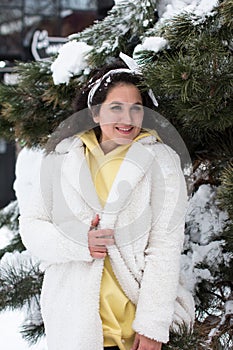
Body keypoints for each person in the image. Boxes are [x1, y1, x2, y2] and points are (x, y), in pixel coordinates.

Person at [18, 59, 195, 350]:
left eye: (136, 108)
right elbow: (32, 226)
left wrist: (152, 326)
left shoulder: (161, 162)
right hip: (73, 327)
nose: (127, 119)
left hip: (133, 331)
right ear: (96, 113)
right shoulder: (60, 160)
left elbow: (164, 247)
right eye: (116, 108)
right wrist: (79, 243)